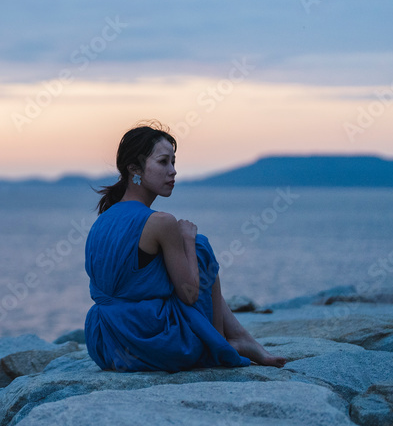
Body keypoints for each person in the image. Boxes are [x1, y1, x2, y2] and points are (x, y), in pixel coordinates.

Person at [84, 121, 286, 371]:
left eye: (174, 162)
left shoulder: (102, 221)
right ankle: (221, 342)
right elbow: (189, 296)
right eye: (163, 162)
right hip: (147, 340)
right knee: (200, 246)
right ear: (134, 169)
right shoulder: (161, 222)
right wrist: (188, 241)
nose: (173, 171)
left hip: (103, 341)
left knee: (169, 260)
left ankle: (236, 338)